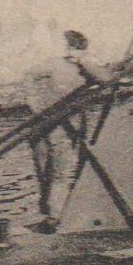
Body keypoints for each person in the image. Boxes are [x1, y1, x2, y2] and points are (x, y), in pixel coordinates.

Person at [27, 29, 107, 224]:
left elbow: (104, 78)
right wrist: (34, 104)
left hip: (61, 127)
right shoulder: (56, 65)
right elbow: (29, 76)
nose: (71, 50)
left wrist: (84, 61)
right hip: (46, 127)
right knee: (51, 174)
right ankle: (51, 215)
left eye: (75, 47)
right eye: (70, 46)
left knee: (56, 174)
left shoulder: (85, 66)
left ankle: (53, 216)